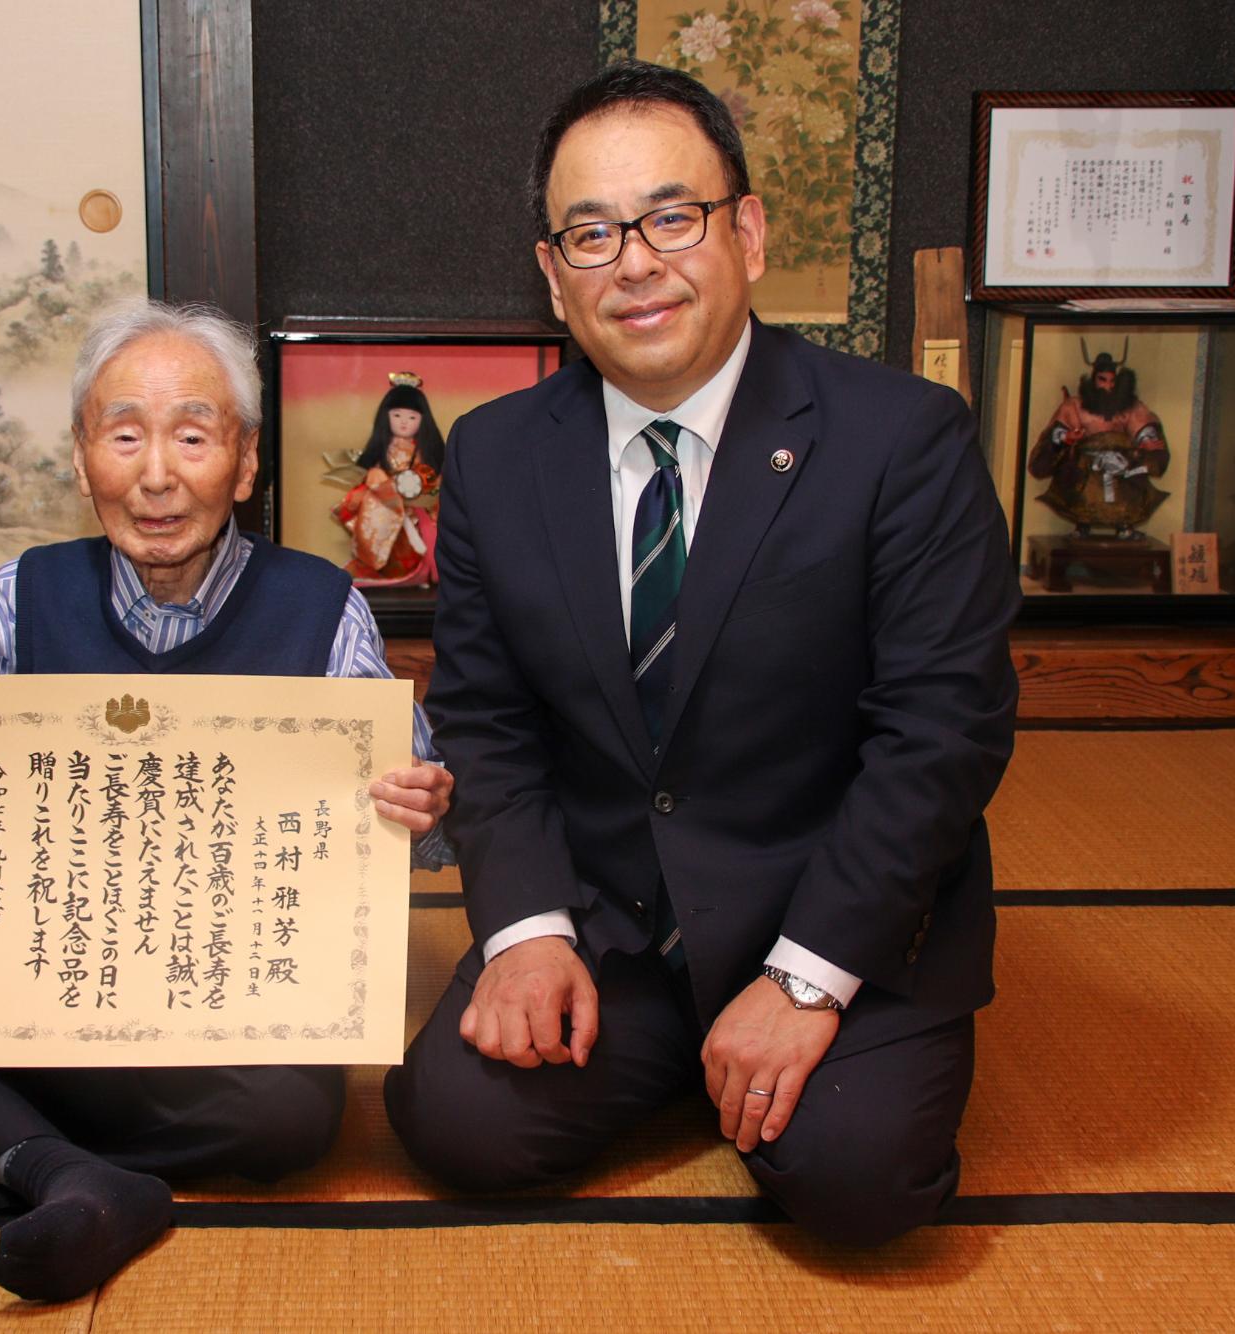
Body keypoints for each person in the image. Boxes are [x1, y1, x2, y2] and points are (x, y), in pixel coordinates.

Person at [383, 61, 1019, 1247]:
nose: (633, 260)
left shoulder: (899, 439)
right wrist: (524, 934)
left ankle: (766, 1044)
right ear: (550, 274)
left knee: (856, 1183)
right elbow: (485, 716)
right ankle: (679, 1050)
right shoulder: (493, 454)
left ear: (749, 230)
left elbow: (941, 733)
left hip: (828, 911)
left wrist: (801, 982)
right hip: (613, 916)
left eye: (670, 216)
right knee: (453, 1125)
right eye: (588, 232)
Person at [0, 298, 454, 1304]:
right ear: (84, 459)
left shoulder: (319, 607)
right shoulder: (19, 594)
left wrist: (415, 798)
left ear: (246, 462)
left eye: (191, 433)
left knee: (296, 1110)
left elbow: (417, 814)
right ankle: (71, 1172)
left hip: (213, 1003)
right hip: (33, 979)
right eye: (123, 433)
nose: (157, 473)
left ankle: (6, 1141)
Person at [1026, 341, 1171, 539]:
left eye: (1112, 381)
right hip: (1087, 464)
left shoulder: (1129, 405)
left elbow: (1142, 424)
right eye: (1102, 380)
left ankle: (1124, 526)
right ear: (1093, 379)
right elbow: (1057, 432)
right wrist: (1067, 437)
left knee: (1128, 491)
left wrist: (1145, 442)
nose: (1108, 386)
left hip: (1121, 464)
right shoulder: (1075, 405)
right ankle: (1082, 525)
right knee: (1081, 490)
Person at [333, 373, 446, 585]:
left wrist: (422, 488)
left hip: (419, 506)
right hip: (385, 503)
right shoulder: (381, 449)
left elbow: (434, 479)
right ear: (386, 417)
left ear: (423, 420)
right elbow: (369, 477)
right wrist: (383, 485)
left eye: (412, 417)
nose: (404, 422)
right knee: (372, 502)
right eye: (397, 415)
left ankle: (423, 569)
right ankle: (382, 567)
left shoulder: (425, 451)